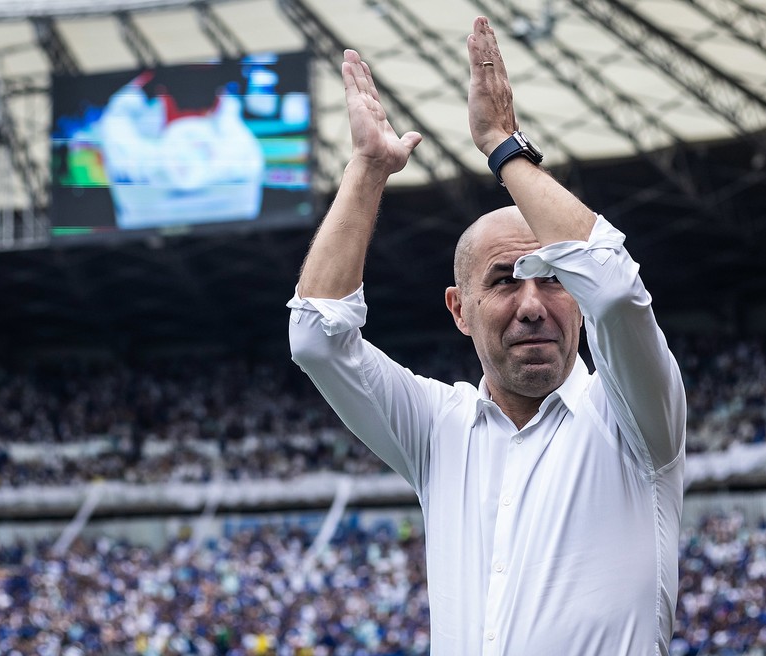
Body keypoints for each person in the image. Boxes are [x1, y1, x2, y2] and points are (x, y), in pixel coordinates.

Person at [288, 17, 686, 655]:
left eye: (554, 278)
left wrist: (504, 145)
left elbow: (612, 287)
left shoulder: (633, 416)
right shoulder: (436, 429)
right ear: (459, 309)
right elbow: (315, 339)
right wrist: (367, 169)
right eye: (505, 280)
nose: (533, 304)